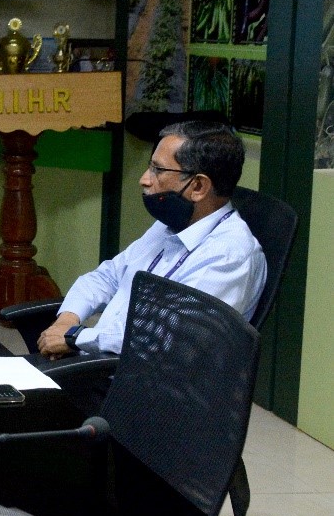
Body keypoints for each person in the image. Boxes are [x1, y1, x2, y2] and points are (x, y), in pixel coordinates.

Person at [38, 121, 267, 359]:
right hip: (99, 360)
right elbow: (108, 276)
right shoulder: (172, 224)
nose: (144, 179)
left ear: (198, 186)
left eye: (158, 170)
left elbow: (162, 337)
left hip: (142, 384)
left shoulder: (229, 256)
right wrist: (66, 321)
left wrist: (75, 338)